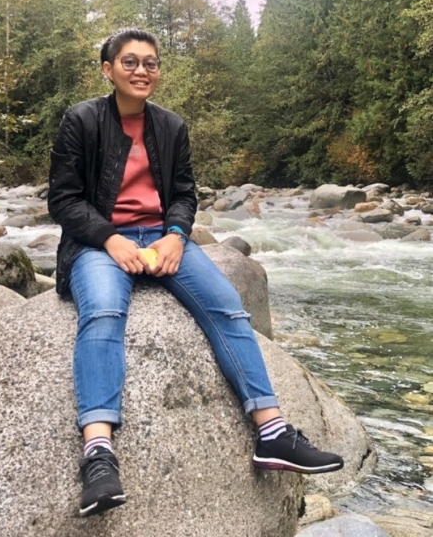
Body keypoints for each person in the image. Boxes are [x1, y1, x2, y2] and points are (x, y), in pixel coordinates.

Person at [48, 28, 344, 518]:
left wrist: (174, 235)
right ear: (108, 70)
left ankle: (272, 432)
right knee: (102, 312)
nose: (141, 70)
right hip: (99, 240)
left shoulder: (171, 126)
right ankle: (98, 455)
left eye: (150, 62)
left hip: (162, 238)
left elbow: (184, 194)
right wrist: (110, 239)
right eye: (129, 62)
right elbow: (63, 199)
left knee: (228, 308)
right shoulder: (81, 120)